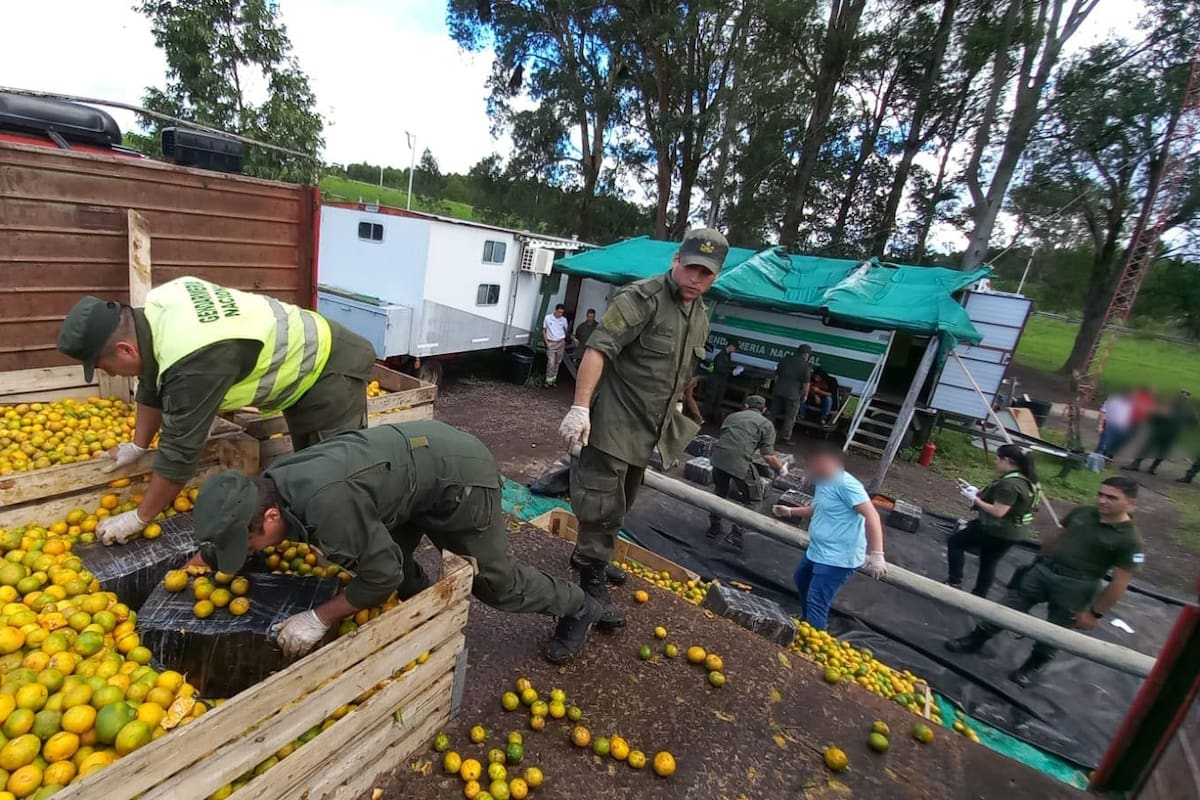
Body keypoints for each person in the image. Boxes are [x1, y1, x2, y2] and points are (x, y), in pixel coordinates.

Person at [190, 422, 613, 664]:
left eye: (248, 545)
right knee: (376, 555)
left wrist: (319, 617)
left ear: (269, 517)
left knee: (495, 583)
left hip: (458, 479)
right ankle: (422, 603)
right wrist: (203, 558)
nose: (251, 554)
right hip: (411, 474)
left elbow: (380, 575)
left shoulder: (325, 505)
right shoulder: (273, 486)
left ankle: (580, 606)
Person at [56, 276, 376, 546]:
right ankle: (323, 536)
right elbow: (152, 382)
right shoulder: (159, 305)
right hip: (302, 367)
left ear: (125, 350)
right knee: (311, 465)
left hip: (331, 368)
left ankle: (362, 559)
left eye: (105, 367)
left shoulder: (193, 360)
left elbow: (179, 455)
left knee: (337, 476)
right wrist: (138, 445)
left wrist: (140, 518)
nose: (110, 376)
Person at [558, 228, 727, 633]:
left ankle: (597, 559)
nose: (695, 279)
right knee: (601, 505)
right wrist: (580, 407)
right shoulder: (643, 298)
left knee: (624, 501)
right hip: (613, 422)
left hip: (649, 430)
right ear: (675, 261)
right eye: (690, 269)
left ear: (715, 277)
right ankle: (590, 579)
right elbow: (599, 350)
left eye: (706, 274)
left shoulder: (699, 315)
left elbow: (683, 374)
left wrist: (687, 412)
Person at [945, 476, 1145, 687]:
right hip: (1044, 570)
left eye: (1112, 497)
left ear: (1130, 503)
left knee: (1056, 630)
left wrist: (1095, 613)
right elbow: (1059, 535)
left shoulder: (1130, 540)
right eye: (1101, 494)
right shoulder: (1083, 513)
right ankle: (976, 639)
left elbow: (1120, 583)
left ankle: (1034, 665)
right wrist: (1038, 561)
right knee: (1009, 606)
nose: (1103, 500)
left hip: (1077, 585)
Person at [771, 442, 887, 629]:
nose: (813, 469)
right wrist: (790, 512)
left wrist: (877, 554)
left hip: (838, 557)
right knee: (802, 580)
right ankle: (807, 622)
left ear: (831, 463)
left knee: (817, 597)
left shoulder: (846, 485)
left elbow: (872, 515)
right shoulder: (823, 481)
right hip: (817, 550)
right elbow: (818, 508)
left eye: (817, 464)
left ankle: (813, 636)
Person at [947, 444, 1042, 597]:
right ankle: (979, 594)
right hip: (1015, 532)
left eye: (997, 458)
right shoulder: (1029, 481)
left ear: (1007, 460)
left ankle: (954, 581)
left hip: (996, 529)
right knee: (989, 560)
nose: (995, 461)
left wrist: (975, 500)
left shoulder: (1010, 484)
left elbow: (998, 511)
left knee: (955, 543)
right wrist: (977, 492)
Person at [706, 395, 786, 549]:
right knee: (754, 499)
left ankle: (714, 526)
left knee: (720, 492)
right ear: (764, 410)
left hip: (718, 457)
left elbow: (729, 439)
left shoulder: (732, 416)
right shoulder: (766, 424)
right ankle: (736, 533)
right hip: (739, 461)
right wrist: (780, 469)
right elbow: (768, 456)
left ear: (745, 406)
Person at [1123, 390, 1196, 475]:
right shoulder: (1167, 405)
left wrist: (1184, 429)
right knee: (1146, 448)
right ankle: (1135, 464)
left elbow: (1193, 423)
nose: (1182, 400)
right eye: (1180, 398)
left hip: (1171, 435)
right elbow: (1153, 416)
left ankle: (1152, 468)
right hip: (1159, 432)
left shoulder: (1188, 411)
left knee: (1162, 453)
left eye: (1184, 398)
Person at [771, 345, 812, 444]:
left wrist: (778, 386)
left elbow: (776, 376)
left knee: (772, 413)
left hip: (778, 390)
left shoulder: (785, 360)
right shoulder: (805, 366)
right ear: (806, 354)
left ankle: (766, 432)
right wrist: (805, 395)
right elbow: (806, 384)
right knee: (790, 417)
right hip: (793, 394)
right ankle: (785, 437)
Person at [704, 339, 739, 420]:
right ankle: (704, 416)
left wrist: (733, 369)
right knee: (710, 399)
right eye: (734, 348)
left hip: (720, 380)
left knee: (717, 399)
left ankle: (711, 417)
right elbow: (719, 368)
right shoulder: (721, 355)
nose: (735, 350)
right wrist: (731, 372)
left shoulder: (727, 355)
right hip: (715, 380)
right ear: (730, 346)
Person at [1097, 390, 1134, 458]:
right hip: (1110, 425)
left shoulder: (1130, 404)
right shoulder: (1113, 400)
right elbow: (1103, 412)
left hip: (1121, 428)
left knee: (1111, 447)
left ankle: (1102, 462)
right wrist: (1100, 426)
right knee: (1103, 445)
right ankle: (1094, 463)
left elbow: (1127, 417)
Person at [542, 304, 570, 388]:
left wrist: (563, 339)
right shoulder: (548, 318)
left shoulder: (563, 320)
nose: (560, 314)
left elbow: (566, 330)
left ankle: (553, 379)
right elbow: (544, 330)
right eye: (559, 312)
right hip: (551, 342)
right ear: (555, 310)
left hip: (560, 342)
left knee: (557, 362)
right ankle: (548, 380)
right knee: (551, 362)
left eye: (562, 313)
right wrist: (546, 342)